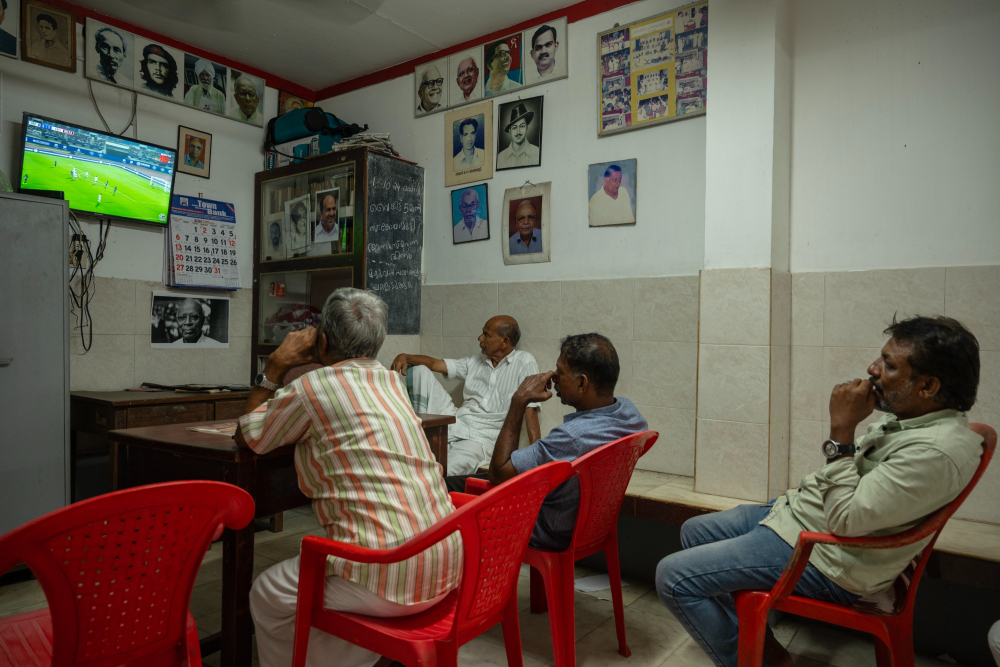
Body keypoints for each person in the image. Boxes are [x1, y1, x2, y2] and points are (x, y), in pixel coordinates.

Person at [656, 315, 984, 667]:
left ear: (928, 386)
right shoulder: (912, 418)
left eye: (888, 365)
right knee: (695, 530)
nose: (872, 368)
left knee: (674, 578)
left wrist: (841, 430)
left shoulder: (935, 452)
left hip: (828, 555)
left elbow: (845, 520)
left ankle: (761, 662)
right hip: (801, 519)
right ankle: (759, 647)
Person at [238, 289, 461, 667]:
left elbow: (250, 436)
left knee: (266, 591)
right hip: (445, 563)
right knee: (323, 591)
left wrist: (275, 366)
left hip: (391, 578)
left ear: (321, 340)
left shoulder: (311, 388)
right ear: (378, 342)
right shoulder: (393, 383)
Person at [483, 334, 647, 549]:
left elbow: (498, 473)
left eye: (560, 372)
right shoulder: (629, 413)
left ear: (581, 383)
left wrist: (519, 400)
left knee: (454, 489)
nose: (554, 378)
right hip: (593, 525)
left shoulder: (572, 437)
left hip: (549, 529)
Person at [391, 316, 541, 475]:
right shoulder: (476, 361)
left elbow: (531, 410)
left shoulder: (524, 362)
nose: (480, 338)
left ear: (504, 341)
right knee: (420, 370)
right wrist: (406, 357)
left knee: (444, 472)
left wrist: (537, 458)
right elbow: (436, 364)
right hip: (458, 421)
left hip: (482, 440)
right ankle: (417, 437)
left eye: (486, 335)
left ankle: (425, 475)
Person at [496, 102, 540, 169]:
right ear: (510, 131)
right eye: (514, 128)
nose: (518, 132)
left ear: (527, 128)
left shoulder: (537, 152)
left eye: (522, 126)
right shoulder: (500, 158)